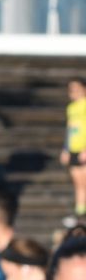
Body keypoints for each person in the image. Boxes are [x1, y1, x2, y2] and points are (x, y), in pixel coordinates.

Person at [63, 76, 86, 225]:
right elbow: (70, 129)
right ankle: (80, 214)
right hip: (73, 149)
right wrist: (65, 149)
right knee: (78, 183)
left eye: (76, 88)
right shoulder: (71, 108)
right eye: (71, 89)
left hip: (84, 149)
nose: (73, 92)